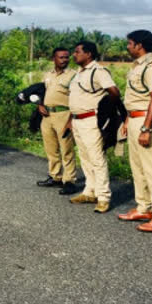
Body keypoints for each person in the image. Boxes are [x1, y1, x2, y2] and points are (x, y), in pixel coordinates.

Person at [117, 30, 152, 232]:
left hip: (146, 120)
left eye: (129, 43)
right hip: (134, 118)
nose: (127, 47)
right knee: (138, 167)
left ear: (139, 45)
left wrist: (146, 128)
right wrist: (127, 119)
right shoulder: (138, 66)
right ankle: (144, 207)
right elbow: (134, 96)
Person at [66, 41, 120, 213]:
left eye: (77, 52)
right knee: (85, 158)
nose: (74, 55)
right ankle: (90, 191)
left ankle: (103, 196)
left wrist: (105, 113)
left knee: (97, 159)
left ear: (88, 54)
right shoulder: (78, 73)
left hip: (91, 120)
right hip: (77, 120)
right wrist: (70, 119)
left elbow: (114, 92)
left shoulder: (98, 71)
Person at [36, 47, 78, 195]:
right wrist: (40, 105)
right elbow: (41, 91)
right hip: (47, 116)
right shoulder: (48, 75)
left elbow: (77, 99)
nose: (64, 60)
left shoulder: (73, 75)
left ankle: (69, 181)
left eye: (66, 57)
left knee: (66, 149)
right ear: (54, 58)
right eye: (61, 57)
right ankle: (55, 176)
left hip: (64, 114)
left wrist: (71, 120)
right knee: (51, 149)